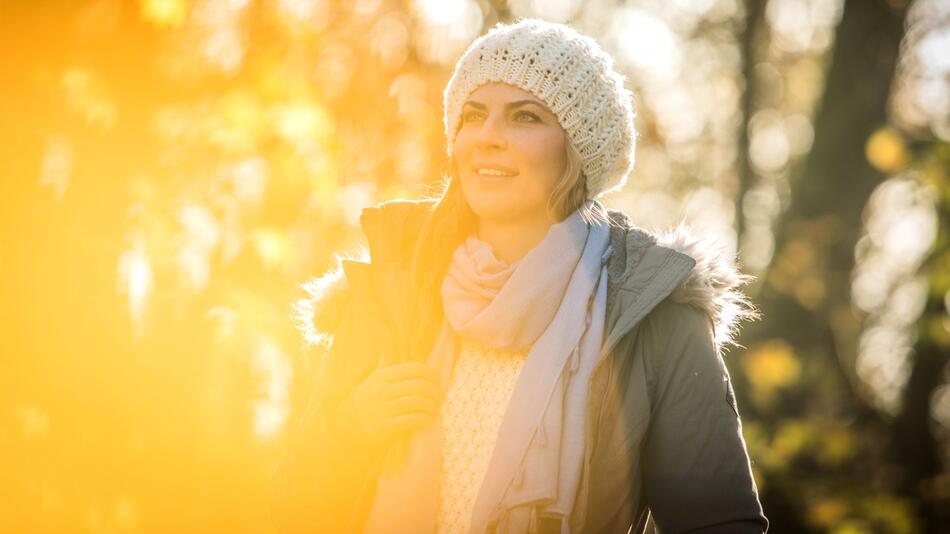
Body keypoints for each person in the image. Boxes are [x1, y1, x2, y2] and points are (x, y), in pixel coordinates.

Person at [270, 18, 769, 534]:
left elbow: (719, 523)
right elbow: (286, 509)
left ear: (578, 150)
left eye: (525, 117)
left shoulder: (651, 313)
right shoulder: (390, 290)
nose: (488, 138)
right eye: (473, 116)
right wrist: (348, 429)